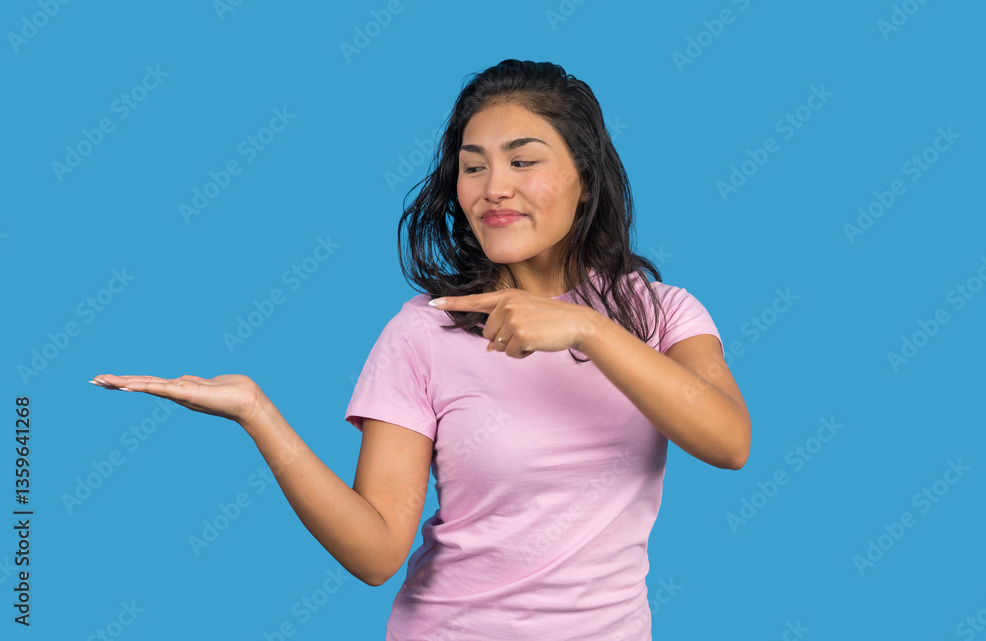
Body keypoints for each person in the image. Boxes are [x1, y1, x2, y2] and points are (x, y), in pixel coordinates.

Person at [91, 59, 750, 640]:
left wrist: (587, 329)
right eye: (473, 166)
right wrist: (257, 412)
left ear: (584, 178)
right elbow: (377, 551)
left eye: (523, 160)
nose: (493, 186)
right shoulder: (423, 332)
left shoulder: (659, 314)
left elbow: (729, 442)